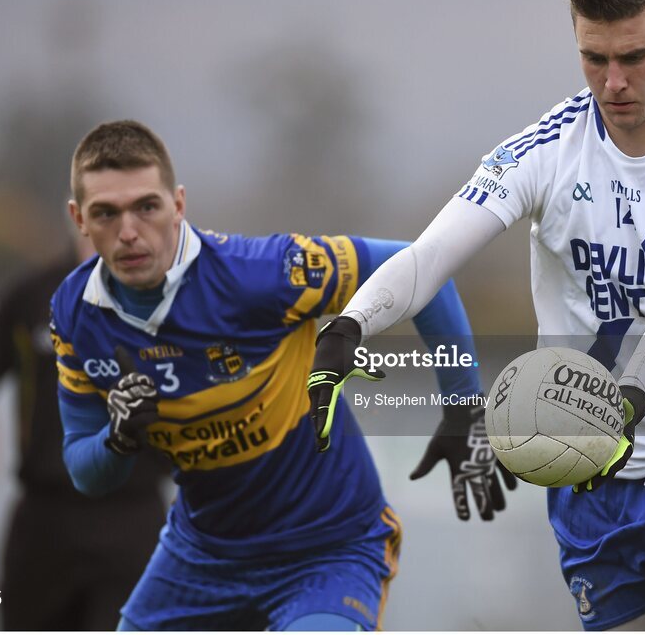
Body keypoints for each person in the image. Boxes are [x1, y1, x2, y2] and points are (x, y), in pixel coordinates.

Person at [308, 0, 645, 631]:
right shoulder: (544, 149)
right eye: (593, 58)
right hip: (585, 469)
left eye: (632, 57)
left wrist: (624, 401)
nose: (612, 81)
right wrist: (347, 327)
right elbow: (429, 257)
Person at [51, 119, 513, 631]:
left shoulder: (262, 275)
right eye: (106, 214)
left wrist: (464, 408)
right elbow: (84, 470)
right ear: (79, 219)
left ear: (178, 204)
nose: (130, 231)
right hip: (203, 557)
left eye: (147, 207)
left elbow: (422, 268)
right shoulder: (75, 314)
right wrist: (118, 438)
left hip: (327, 553)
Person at [0, 233, 168, 630]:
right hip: (45, 520)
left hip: (133, 518)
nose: (121, 224)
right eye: (102, 206)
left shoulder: (175, 299)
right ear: (78, 212)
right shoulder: (30, 295)